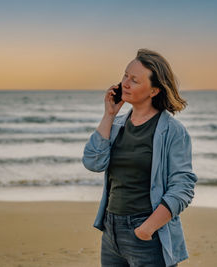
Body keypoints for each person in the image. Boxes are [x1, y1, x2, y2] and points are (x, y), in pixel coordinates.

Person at [82, 48, 198, 267]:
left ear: (154, 91)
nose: (125, 83)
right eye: (125, 75)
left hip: (147, 233)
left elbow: (183, 187)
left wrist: (148, 228)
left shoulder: (173, 131)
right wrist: (109, 115)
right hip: (110, 231)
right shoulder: (116, 126)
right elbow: (93, 162)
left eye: (134, 80)